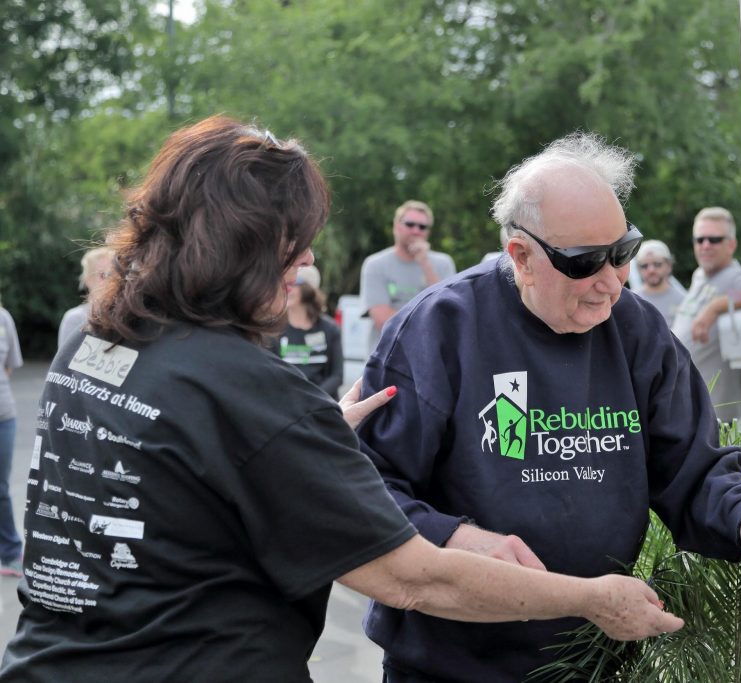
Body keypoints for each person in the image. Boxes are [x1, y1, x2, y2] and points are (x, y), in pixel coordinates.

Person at [0, 117, 682, 683]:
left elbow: (179, 468)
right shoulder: (249, 393)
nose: (305, 267)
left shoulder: (93, 343)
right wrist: (592, 598)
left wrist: (305, 434)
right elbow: (417, 580)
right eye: (294, 247)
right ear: (237, 247)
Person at [357, 133, 741, 682]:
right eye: (586, 262)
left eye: (623, 252)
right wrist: (454, 536)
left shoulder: (637, 330)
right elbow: (365, 490)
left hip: (599, 658)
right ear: (522, 257)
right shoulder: (438, 330)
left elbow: (694, 466)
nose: (611, 282)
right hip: (450, 665)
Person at [670, 206, 741, 422]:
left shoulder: (734, 278)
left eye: (714, 239)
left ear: (731, 245)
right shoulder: (700, 275)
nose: (706, 245)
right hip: (686, 404)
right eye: (700, 240)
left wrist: (717, 305)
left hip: (715, 413)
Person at [360, 200, 456, 348]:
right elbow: (383, 321)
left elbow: (447, 309)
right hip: (388, 354)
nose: (416, 231)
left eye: (422, 227)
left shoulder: (444, 263)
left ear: (428, 232)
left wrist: (425, 263)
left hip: (431, 354)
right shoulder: (375, 264)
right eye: (410, 224)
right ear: (396, 226)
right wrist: (430, 323)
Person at [272, 264, 345, 398]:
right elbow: (272, 373)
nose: (287, 289)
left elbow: (337, 376)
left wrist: (313, 399)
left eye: (293, 284)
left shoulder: (330, 328)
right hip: (288, 403)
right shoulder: (274, 329)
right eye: (284, 284)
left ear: (308, 289)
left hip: (323, 403)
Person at [0, 294, 23, 578]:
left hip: (3, 415)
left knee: (0, 489)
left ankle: (10, 552)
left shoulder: (3, 318)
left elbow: (8, 367)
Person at [57, 246, 114, 349]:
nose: (111, 280)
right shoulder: (75, 318)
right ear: (88, 280)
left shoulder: (125, 317)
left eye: (114, 274)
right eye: (103, 275)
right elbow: (67, 357)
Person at [633, 239, 685, 322]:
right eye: (644, 266)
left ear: (669, 266)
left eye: (657, 264)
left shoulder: (683, 301)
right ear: (638, 269)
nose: (651, 270)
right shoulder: (631, 300)